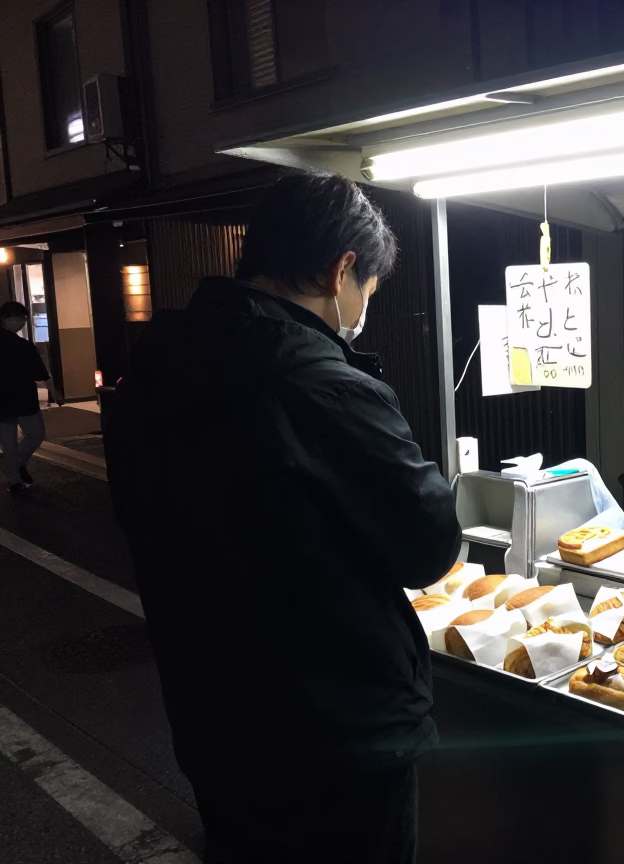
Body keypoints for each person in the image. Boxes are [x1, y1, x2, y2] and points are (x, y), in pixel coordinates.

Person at [105, 172, 461, 863]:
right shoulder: (321, 383)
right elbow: (427, 543)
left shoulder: (153, 372)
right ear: (342, 272)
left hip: (212, 720)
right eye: (367, 295)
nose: (361, 313)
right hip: (338, 740)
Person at [0, 301, 62, 493]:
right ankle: (16, 467)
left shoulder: (22, 344)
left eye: (24, 319)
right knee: (36, 433)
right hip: (23, 397)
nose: (22, 323)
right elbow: (41, 373)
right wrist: (54, 391)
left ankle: (13, 476)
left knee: (8, 440)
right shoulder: (22, 345)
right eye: (19, 319)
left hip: (3, 400)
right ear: (6, 319)